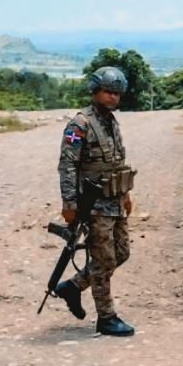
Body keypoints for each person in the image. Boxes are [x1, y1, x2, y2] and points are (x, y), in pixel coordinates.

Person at [54, 66, 137, 336]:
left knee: (121, 253)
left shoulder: (111, 122)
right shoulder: (80, 124)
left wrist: (125, 194)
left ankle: (73, 286)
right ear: (95, 91)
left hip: (114, 201)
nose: (114, 97)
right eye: (108, 92)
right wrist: (69, 204)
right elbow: (67, 165)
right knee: (104, 259)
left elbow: (116, 162)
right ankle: (106, 317)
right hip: (93, 204)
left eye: (117, 93)